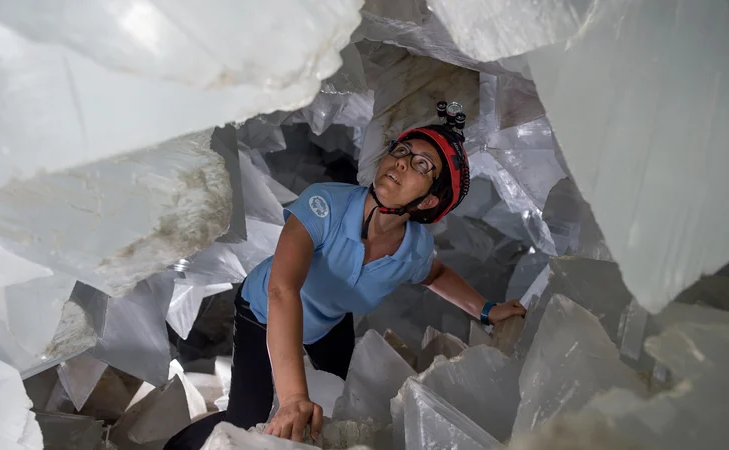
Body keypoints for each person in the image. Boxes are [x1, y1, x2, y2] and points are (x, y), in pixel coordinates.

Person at [164, 105, 526, 449]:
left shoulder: (413, 249)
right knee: (247, 418)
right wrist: (293, 398)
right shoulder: (326, 206)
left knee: (351, 398)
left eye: (420, 164)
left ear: (431, 201)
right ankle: (178, 446)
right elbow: (282, 289)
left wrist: (486, 309)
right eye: (400, 150)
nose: (400, 163)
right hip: (263, 310)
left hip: (328, 322)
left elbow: (436, 273)